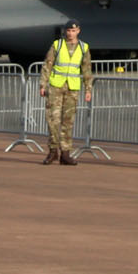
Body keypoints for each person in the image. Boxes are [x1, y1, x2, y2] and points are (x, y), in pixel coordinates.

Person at [39, 20, 92, 165]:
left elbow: (87, 69)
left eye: (73, 31)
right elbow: (47, 64)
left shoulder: (83, 47)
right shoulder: (58, 45)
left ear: (78, 31)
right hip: (56, 86)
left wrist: (88, 89)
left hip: (72, 88)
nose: (70, 33)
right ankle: (53, 151)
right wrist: (43, 84)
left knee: (68, 122)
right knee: (53, 120)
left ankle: (66, 153)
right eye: (68, 31)